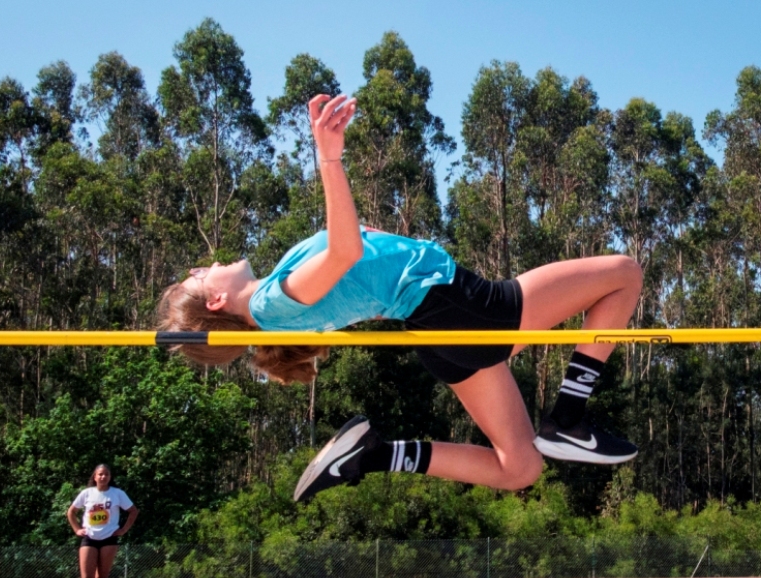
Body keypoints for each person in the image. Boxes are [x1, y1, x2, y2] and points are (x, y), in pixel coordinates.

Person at [158, 94, 642, 503]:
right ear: (216, 301)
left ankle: (374, 454)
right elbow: (345, 251)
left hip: (435, 324)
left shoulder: (274, 298)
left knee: (519, 467)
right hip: (453, 305)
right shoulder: (268, 306)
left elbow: (353, 258)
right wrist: (329, 159)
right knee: (624, 274)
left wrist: (374, 240)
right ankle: (568, 418)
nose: (202, 266)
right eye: (196, 278)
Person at [66, 464, 138, 578]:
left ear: (110, 477)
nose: (103, 477)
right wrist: (77, 529)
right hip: (89, 538)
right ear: (95, 477)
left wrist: (123, 530)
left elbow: (133, 511)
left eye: (106, 474)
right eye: (100, 474)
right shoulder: (87, 493)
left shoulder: (117, 494)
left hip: (109, 538)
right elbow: (71, 512)